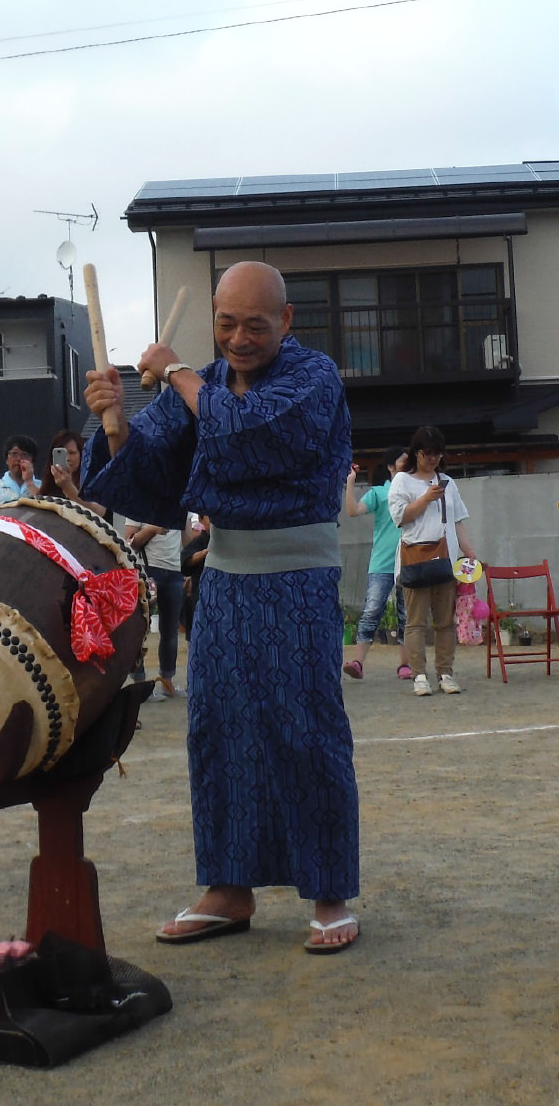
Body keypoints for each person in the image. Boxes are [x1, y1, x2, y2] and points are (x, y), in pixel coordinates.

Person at [81, 260, 360, 953]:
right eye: (226, 323)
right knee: (218, 727)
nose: (238, 338)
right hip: (228, 575)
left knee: (306, 726)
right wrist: (115, 423)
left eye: (254, 325)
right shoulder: (200, 384)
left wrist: (174, 370)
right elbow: (152, 470)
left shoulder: (312, 377)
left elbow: (246, 428)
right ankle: (228, 886)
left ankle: (330, 894)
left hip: (297, 575)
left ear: (286, 321)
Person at [387, 427, 481, 698]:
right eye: (427, 453)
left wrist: (469, 550)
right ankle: (418, 675)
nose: (433, 459)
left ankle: (445, 672)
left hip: (447, 560)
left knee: (445, 622)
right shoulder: (402, 481)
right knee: (415, 622)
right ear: (416, 453)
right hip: (414, 558)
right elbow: (400, 518)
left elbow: (457, 520)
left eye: (437, 454)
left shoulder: (448, 482)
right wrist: (425, 499)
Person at [342, 447, 410, 680]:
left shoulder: (416, 493)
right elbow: (352, 511)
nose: (407, 465)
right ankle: (358, 662)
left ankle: (405, 664)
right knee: (371, 611)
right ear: (391, 467)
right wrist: (351, 481)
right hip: (382, 563)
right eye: (403, 462)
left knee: (407, 616)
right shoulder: (380, 493)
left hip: (409, 562)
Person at [123, 517, 184, 699]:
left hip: (174, 571)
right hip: (146, 570)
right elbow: (129, 545)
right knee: (140, 630)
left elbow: (188, 542)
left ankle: (167, 682)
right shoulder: (139, 504)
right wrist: (152, 529)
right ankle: (140, 685)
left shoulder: (181, 507)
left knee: (170, 632)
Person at [0, 435, 42, 507]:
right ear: (7, 459)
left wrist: (29, 482)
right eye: (14, 454)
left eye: (24, 454)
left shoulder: (42, 487)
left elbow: (45, 511)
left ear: (32, 460)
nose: (19, 458)